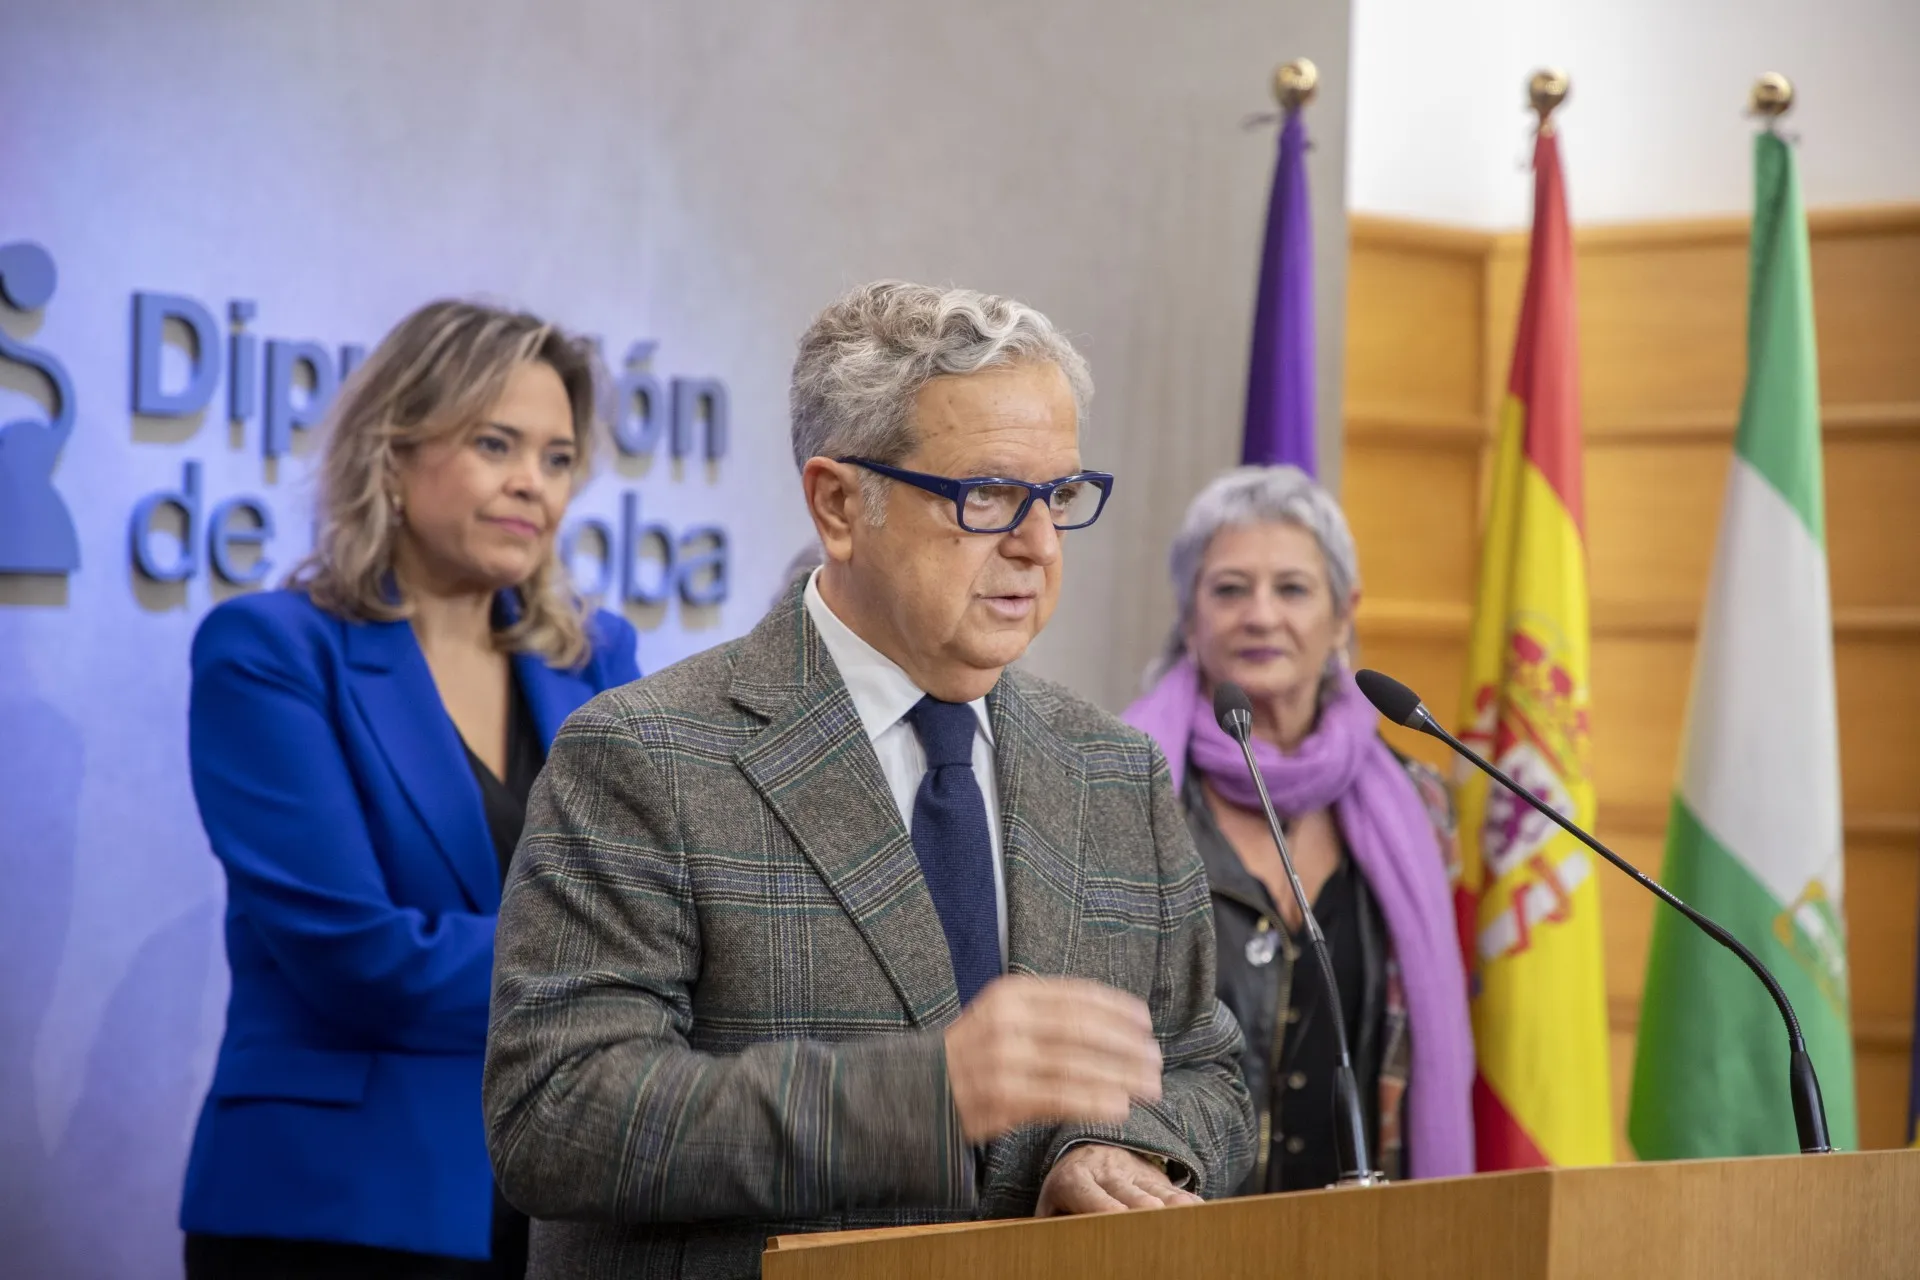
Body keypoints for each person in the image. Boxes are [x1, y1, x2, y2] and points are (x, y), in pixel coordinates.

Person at [483, 281, 1255, 1278]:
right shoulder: (645, 754)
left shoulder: (1113, 770)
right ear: (840, 503)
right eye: (987, 495)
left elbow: (1206, 1070)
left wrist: (1123, 1145)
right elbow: (557, 1113)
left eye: (1059, 495)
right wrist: (928, 1096)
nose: (1037, 543)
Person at [180, 300, 640, 1279]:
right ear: (391, 454)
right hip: (337, 1208)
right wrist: (613, 973)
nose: (533, 483)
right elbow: (359, 957)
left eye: (558, 458)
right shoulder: (270, 651)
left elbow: (668, 903)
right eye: (494, 443)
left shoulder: (597, 661)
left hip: (565, 1202)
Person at [1123, 465, 1474, 1192]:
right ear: (1189, 617)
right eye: (1228, 589)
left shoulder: (1421, 802)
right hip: (1167, 1225)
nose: (1260, 615)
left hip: (1360, 1232)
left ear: (1343, 615)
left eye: (1291, 588)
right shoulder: (1118, 782)